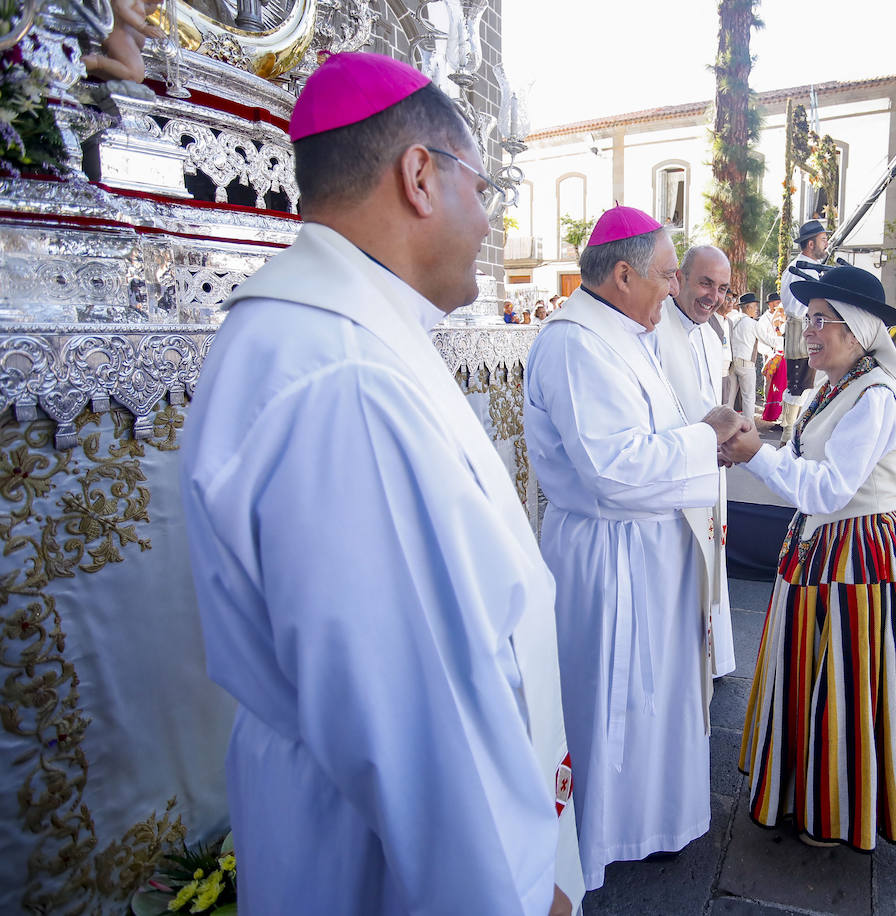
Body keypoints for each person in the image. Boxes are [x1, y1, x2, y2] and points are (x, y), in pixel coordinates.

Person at [179, 53, 575, 916]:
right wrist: (508, 893)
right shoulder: (343, 375)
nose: (488, 219)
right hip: (394, 861)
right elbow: (416, 713)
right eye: (482, 186)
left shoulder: (331, 333)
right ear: (420, 177)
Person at [524, 207, 748, 890]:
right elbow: (612, 468)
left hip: (653, 552)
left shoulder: (627, 330)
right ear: (623, 274)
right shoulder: (574, 343)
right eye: (666, 275)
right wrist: (704, 437)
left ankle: (656, 820)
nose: (673, 288)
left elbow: (652, 433)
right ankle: (612, 832)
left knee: (658, 695)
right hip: (608, 556)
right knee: (617, 700)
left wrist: (702, 435)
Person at [719, 265, 896, 850]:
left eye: (822, 321)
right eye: (807, 319)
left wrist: (751, 455)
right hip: (821, 550)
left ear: (858, 329)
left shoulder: (876, 397)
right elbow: (803, 456)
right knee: (812, 676)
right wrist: (757, 437)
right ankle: (802, 794)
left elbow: (827, 488)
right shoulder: (834, 387)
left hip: (860, 557)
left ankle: (838, 809)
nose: (808, 332)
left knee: (847, 684)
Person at [657, 244, 736, 677]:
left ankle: (714, 659)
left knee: (713, 558)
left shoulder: (711, 333)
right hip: (677, 471)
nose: (713, 295)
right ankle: (687, 663)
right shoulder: (653, 328)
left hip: (710, 465)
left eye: (722, 287)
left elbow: (711, 400)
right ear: (679, 278)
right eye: (705, 282)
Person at [779, 220, 830, 440]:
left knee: (810, 385)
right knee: (798, 386)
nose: (826, 244)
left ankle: (799, 434)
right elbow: (797, 308)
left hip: (809, 329)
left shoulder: (812, 269)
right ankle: (788, 436)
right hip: (801, 330)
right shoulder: (798, 268)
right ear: (810, 244)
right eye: (823, 240)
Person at [726, 292, 762, 414]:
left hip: (732, 363)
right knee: (748, 398)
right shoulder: (753, 324)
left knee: (729, 399)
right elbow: (767, 339)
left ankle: (727, 425)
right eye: (755, 306)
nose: (756, 309)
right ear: (748, 307)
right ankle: (749, 428)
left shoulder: (732, 319)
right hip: (746, 365)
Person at [759, 293, 787, 423]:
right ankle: (768, 405)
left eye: (779, 302)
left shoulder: (782, 318)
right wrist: (769, 354)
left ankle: (778, 410)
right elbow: (763, 338)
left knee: (780, 384)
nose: (777, 305)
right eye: (775, 302)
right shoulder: (763, 319)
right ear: (770, 304)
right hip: (770, 353)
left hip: (780, 354)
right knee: (769, 382)